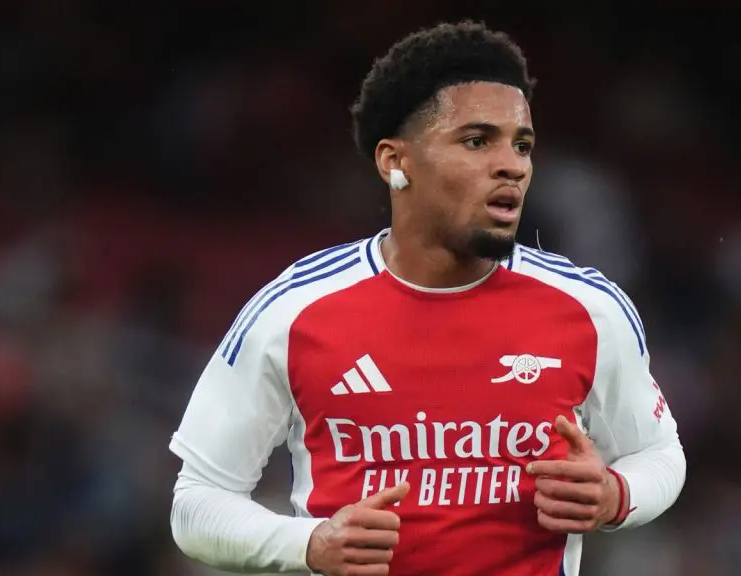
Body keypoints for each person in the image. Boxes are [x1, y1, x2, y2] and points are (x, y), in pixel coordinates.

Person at [168, 20, 685, 576]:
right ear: (395, 162)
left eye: (522, 145)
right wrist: (310, 543)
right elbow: (197, 503)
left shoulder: (589, 309)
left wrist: (616, 494)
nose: (512, 164)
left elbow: (660, 454)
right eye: (477, 141)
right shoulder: (294, 312)